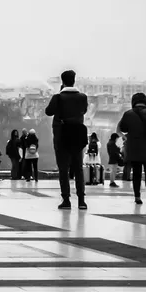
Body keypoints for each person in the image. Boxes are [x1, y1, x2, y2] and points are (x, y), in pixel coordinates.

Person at [45, 70, 89, 209]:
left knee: (63, 169)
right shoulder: (82, 97)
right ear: (74, 81)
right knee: (78, 168)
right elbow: (84, 111)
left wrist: (59, 94)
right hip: (77, 135)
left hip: (62, 135)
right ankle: (81, 200)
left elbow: (48, 111)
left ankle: (66, 199)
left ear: (62, 82)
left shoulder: (58, 97)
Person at [118, 92, 146, 206]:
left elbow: (123, 128)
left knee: (136, 173)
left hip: (134, 148)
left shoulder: (128, 114)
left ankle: (137, 197)